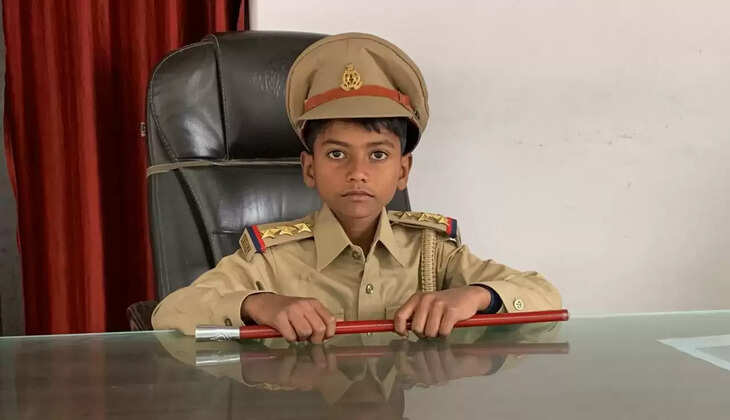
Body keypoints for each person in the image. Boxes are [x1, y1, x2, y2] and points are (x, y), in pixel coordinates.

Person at [151, 32, 562, 341]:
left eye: (378, 154)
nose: (358, 172)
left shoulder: (432, 252)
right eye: (336, 154)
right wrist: (259, 304)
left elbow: (544, 295)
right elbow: (171, 312)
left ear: (403, 171)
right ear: (309, 168)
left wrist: (475, 296)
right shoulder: (272, 260)